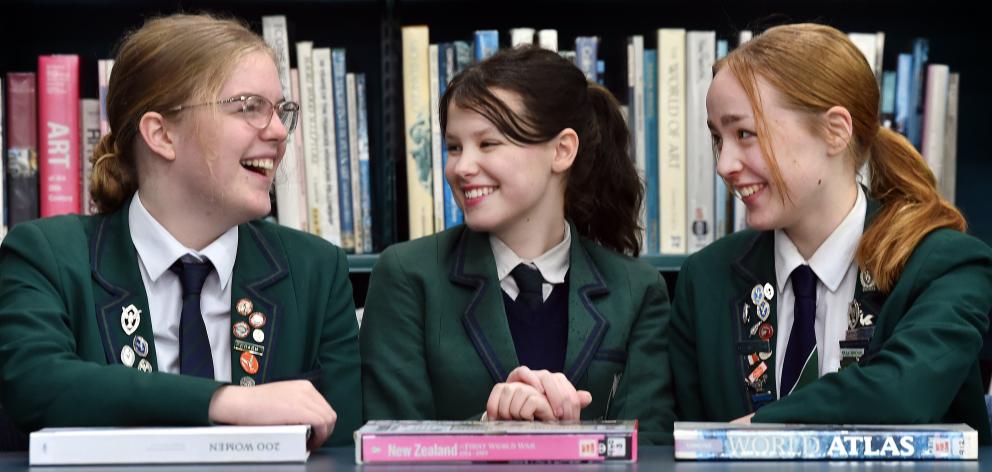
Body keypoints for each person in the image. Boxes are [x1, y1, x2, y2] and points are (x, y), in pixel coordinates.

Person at [0, 14, 360, 449]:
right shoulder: (47, 256)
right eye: (249, 107)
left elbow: (342, 446)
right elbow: (38, 385)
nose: (280, 132)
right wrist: (227, 402)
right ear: (161, 134)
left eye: (282, 111)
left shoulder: (315, 270)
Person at [670, 23, 992, 443]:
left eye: (745, 133)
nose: (724, 164)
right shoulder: (705, 279)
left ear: (835, 131)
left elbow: (902, 395)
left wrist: (758, 430)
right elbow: (675, 443)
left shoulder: (945, 265)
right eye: (718, 139)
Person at [360, 45, 674, 444]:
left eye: (487, 144)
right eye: (454, 147)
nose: (461, 167)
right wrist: (488, 429)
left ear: (561, 151)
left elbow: (651, 450)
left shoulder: (638, 291)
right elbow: (386, 446)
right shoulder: (407, 276)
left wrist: (580, 441)